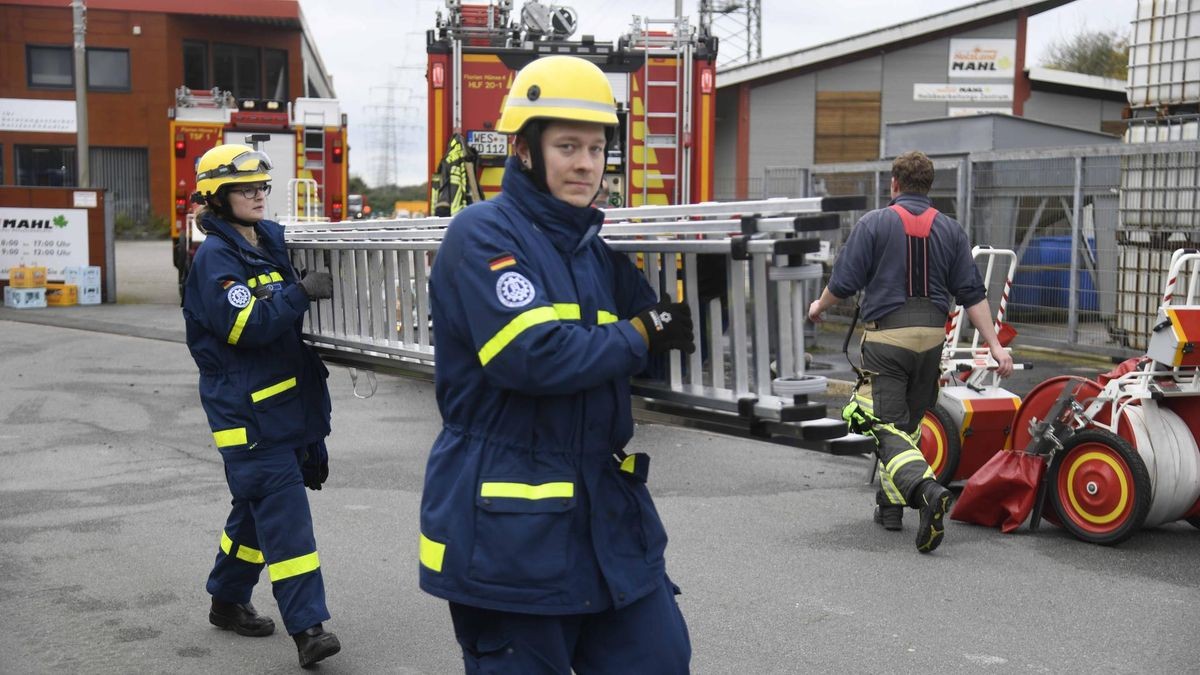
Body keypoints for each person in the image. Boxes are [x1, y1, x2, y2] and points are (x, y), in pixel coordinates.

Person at [418, 55, 695, 674]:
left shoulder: (596, 249)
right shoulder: (482, 233)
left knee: (659, 660)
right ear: (523, 149)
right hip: (511, 535)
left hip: (607, 519)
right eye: (568, 145)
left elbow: (659, 339)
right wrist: (641, 333)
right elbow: (530, 357)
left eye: (596, 148)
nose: (586, 164)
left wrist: (708, 295)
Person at [181, 143, 342, 667]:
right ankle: (309, 628)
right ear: (216, 195)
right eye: (245, 186)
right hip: (247, 417)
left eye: (262, 184)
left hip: (286, 408)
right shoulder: (215, 259)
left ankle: (227, 599)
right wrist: (299, 294)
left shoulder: (267, 240)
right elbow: (245, 325)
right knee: (286, 517)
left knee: (255, 510)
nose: (258, 193)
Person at [807, 150, 1014, 554]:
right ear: (928, 186)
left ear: (894, 185)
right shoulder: (951, 230)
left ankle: (925, 491)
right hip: (932, 340)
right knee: (910, 425)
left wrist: (819, 306)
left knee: (885, 428)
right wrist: (994, 345)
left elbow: (844, 281)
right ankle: (889, 508)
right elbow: (973, 295)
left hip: (888, 340)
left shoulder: (874, 224)